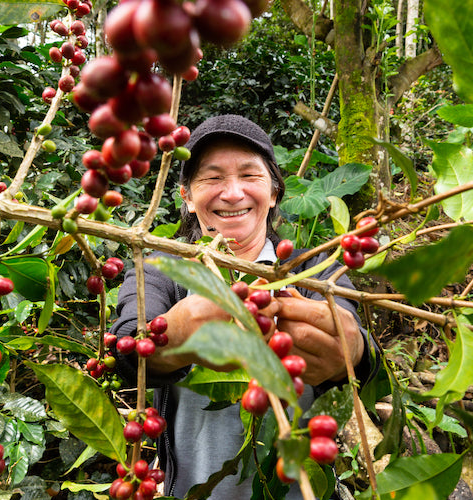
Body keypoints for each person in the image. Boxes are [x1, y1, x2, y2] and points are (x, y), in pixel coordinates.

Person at [110, 114, 381, 499]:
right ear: (187, 197)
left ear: (273, 193)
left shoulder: (314, 269)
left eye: (250, 176)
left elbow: (360, 345)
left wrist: (352, 352)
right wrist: (178, 335)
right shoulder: (161, 269)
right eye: (212, 177)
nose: (232, 193)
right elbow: (126, 347)